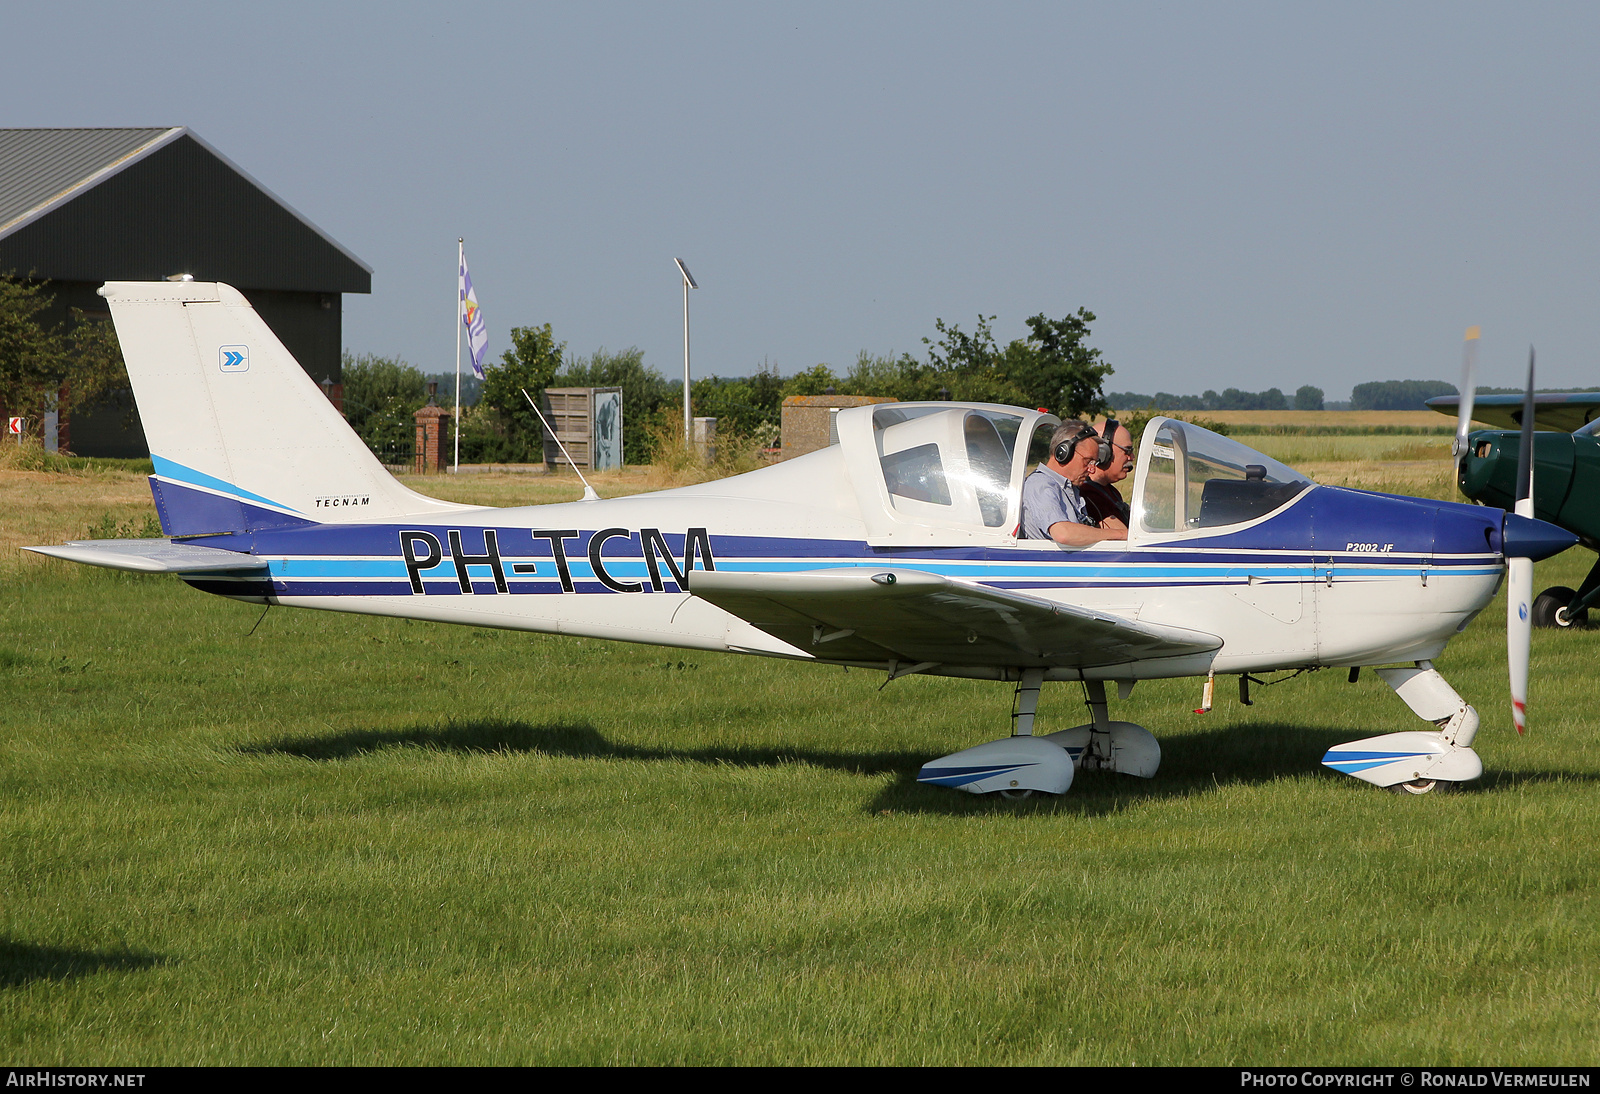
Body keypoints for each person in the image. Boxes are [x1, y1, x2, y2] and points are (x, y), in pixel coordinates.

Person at [1019, 421, 1128, 546]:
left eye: (1094, 462)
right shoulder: (1040, 484)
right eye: (1088, 461)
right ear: (1063, 453)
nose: (1092, 469)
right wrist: (1121, 534)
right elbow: (1063, 533)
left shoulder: (1070, 488)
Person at [1080, 419, 1133, 531]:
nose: (1131, 457)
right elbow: (1124, 536)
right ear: (1103, 452)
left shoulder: (1111, 491)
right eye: (1127, 451)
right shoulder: (1089, 494)